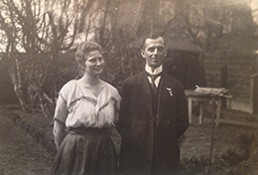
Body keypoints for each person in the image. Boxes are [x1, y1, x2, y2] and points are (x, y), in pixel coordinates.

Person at [118, 32, 189, 175]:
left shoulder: (176, 86)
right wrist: (136, 139)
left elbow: (182, 122)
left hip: (166, 154)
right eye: (151, 49)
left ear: (165, 52)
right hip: (135, 153)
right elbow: (120, 120)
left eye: (160, 49)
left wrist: (165, 138)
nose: (155, 53)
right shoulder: (129, 85)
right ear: (143, 53)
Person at [51, 41, 121, 175]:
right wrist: (65, 154)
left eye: (100, 59)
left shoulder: (112, 92)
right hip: (75, 149)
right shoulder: (70, 89)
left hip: (104, 151)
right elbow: (57, 128)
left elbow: (114, 124)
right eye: (92, 60)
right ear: (82, 64)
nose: (99, 63)